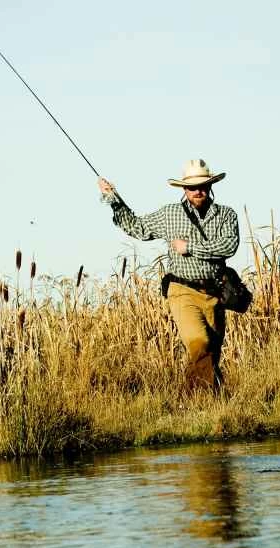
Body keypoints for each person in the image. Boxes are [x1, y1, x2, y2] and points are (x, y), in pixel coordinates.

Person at [98, 159, 240, 390]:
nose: (198, 191)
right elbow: (138, 227)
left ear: (211, 185)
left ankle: (207, 404)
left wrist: (190, 247)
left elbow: (229, 246)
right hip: (181, 291)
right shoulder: (170, 214)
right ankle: (196, 400)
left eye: (203, 185)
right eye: (193, 187)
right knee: (198, 343)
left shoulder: (226, 215)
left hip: (215, 294)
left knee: (210, 354)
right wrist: (114, 199)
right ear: (184, 189)